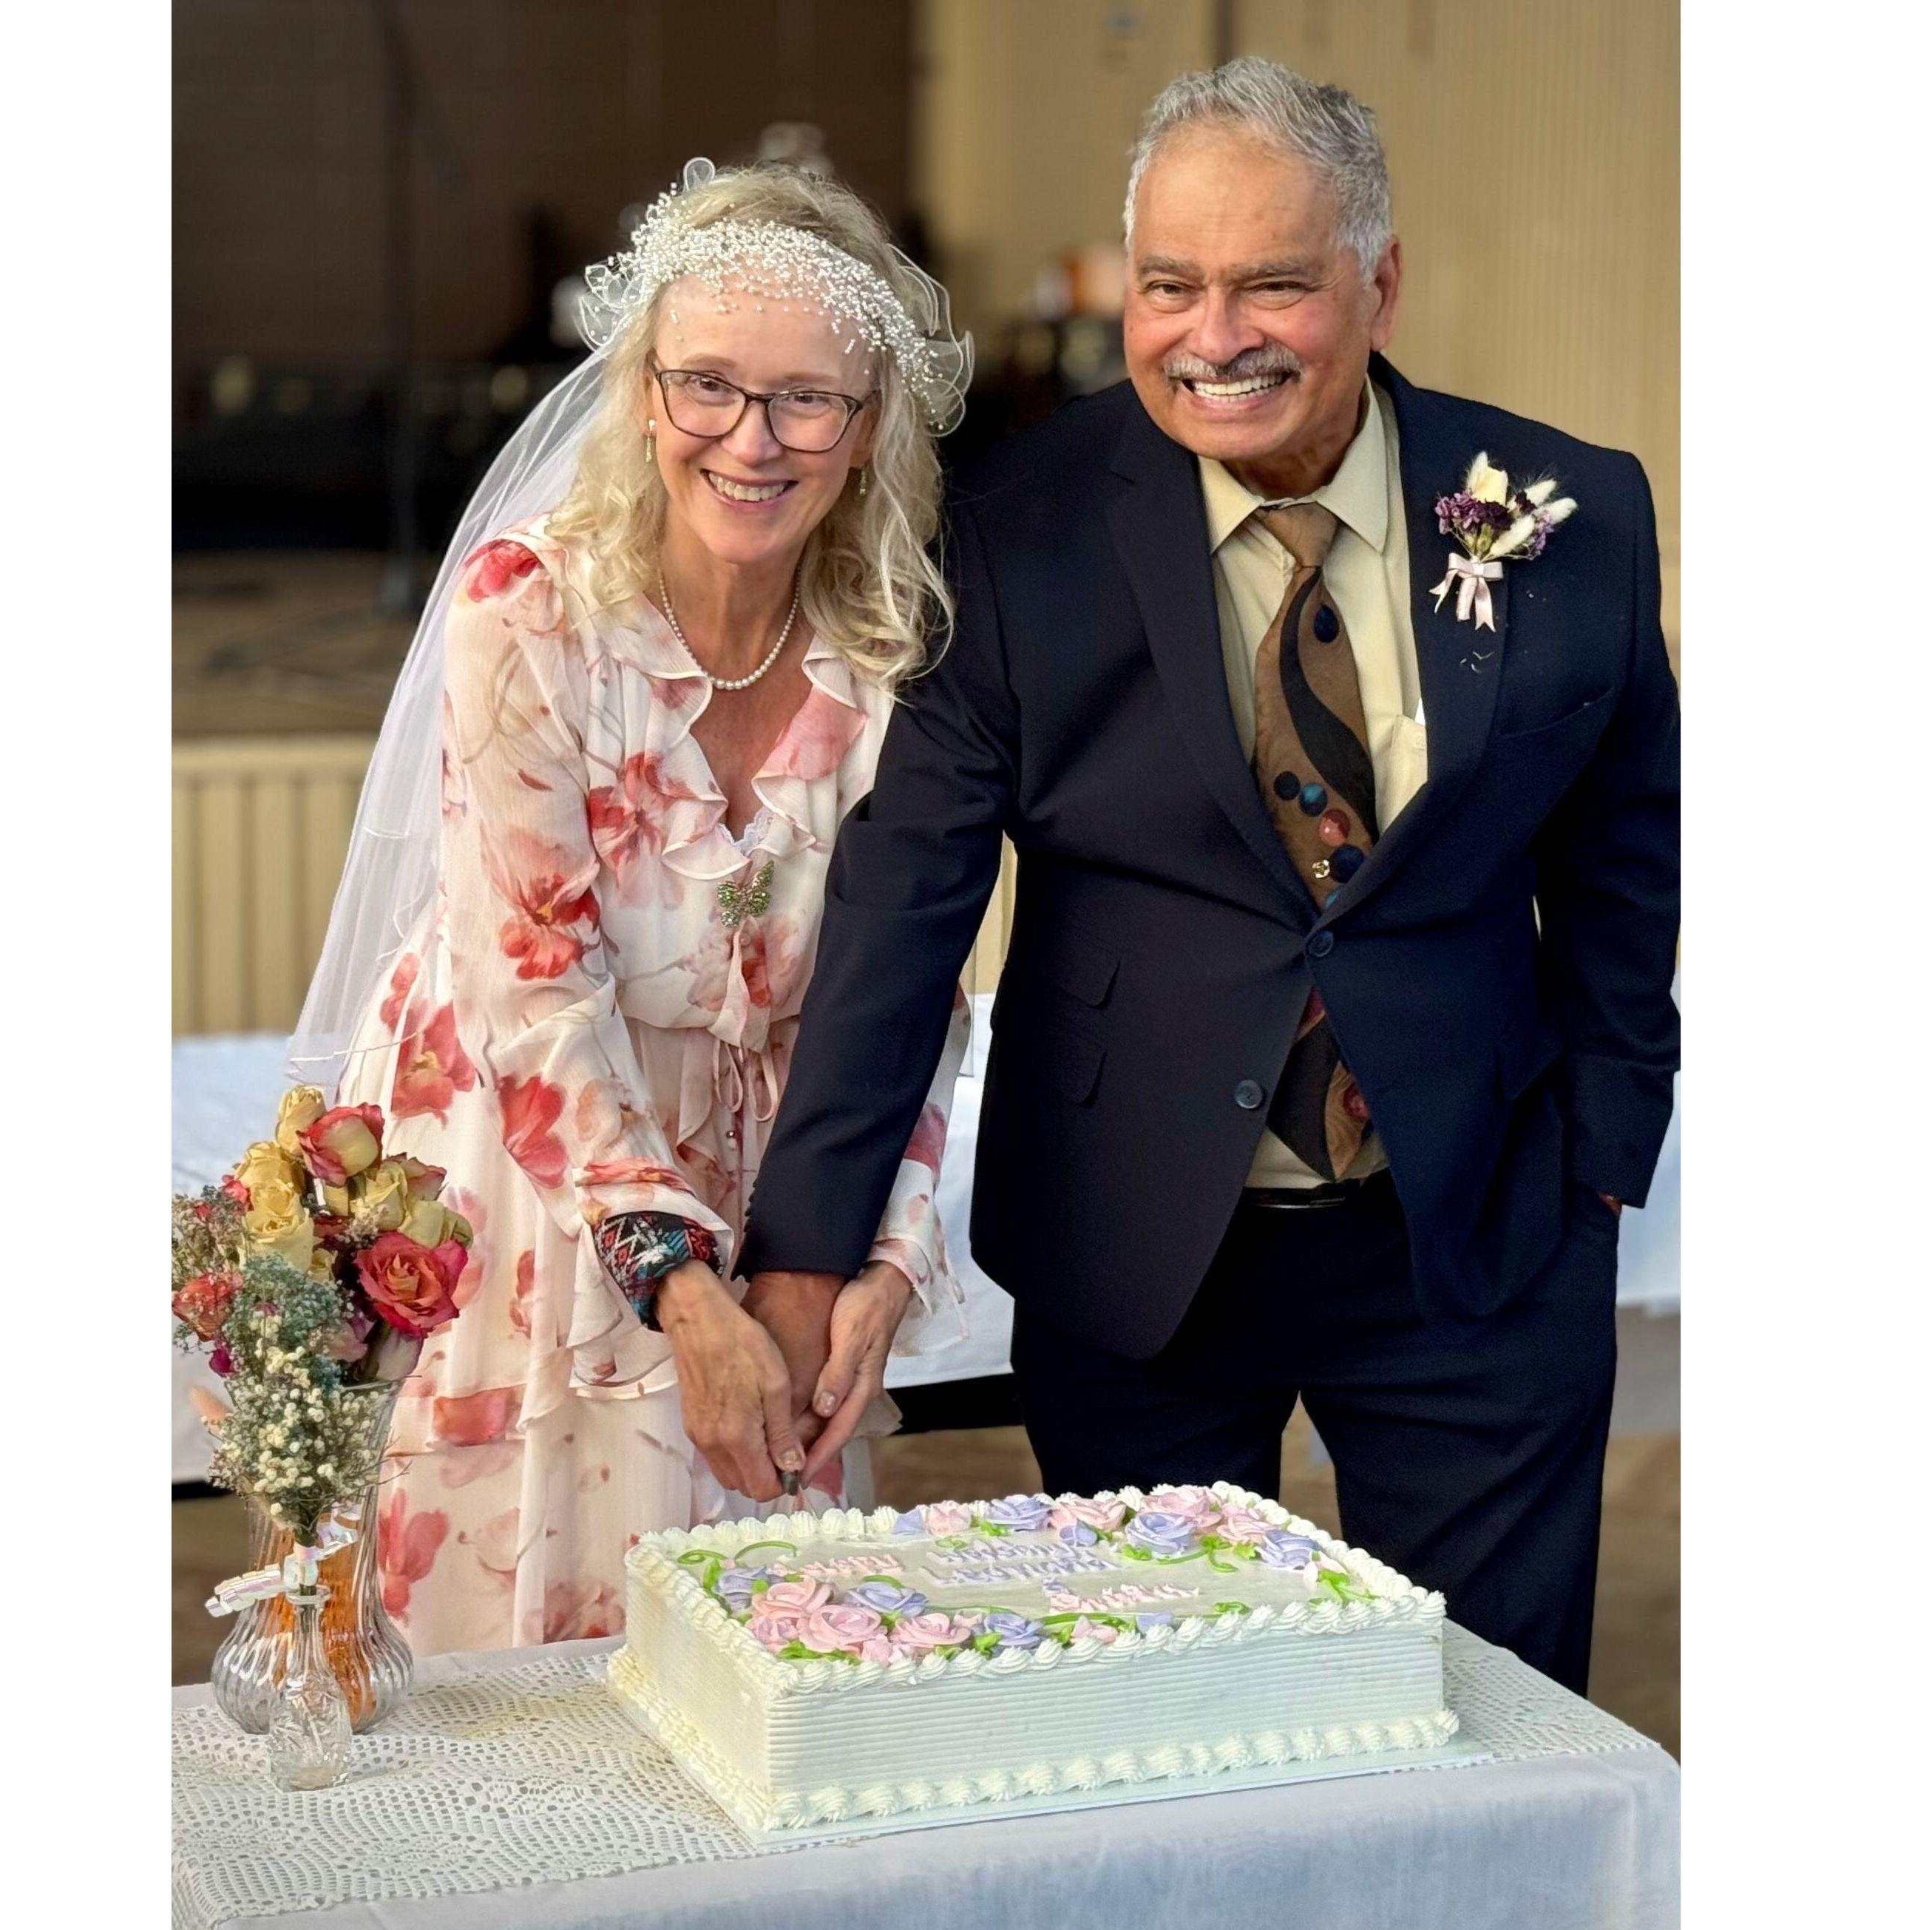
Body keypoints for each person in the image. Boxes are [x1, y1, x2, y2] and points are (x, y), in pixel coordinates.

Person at [739, 58, 1680, 1696]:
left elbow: (1620, 858)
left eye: (1272, 282)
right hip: (1133, 1245)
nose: (1211, 332)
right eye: (1168, 284)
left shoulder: (1567, 515)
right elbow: (907, 901)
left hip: (1480, 1233)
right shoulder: (1009, 526)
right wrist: (804, 1245)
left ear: (1377, 282)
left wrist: (1600, 1157)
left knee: (1486, 1717)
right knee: (1163, 1727)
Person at [288, 160, 974, 1653]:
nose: (751, 438)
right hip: (529, 1166)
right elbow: (531, 988)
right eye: (707, 385)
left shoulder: (898, 651)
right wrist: (677, 1283)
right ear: (641, 388)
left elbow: (912, 987)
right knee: (516, 1654)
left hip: (778, 1184)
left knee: (754, 1666)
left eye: (806, 400)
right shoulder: (528, 614)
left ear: (866, 430)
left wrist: (877, 1259)